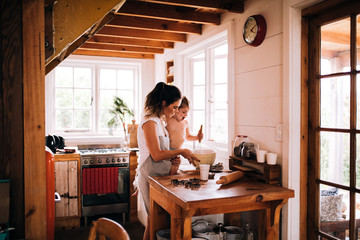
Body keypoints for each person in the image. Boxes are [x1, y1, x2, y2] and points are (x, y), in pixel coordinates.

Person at [137, 82, 199, 240]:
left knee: (156, 221)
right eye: (174, 107)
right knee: (154, 221)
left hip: (158, 176)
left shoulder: (159, 121)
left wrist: (173, 160)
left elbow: (162, 152)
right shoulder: (150, 121)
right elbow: (156, 155)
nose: (176, 111)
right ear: (164, 103)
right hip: (150, 176)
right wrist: (181, 151)